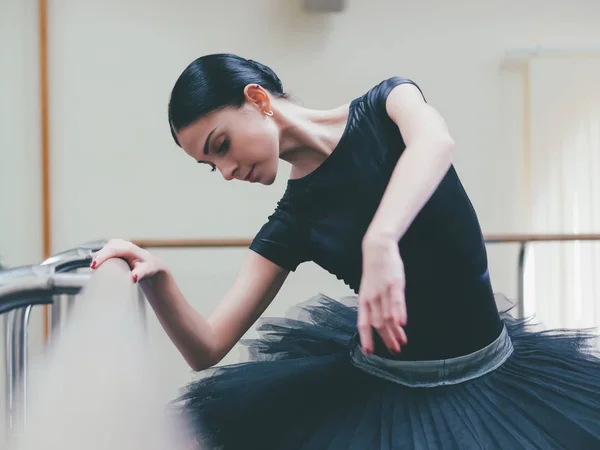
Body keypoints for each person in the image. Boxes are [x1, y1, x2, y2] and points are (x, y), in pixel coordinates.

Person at [91, 53, 600, 449]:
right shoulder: (292, 221)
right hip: (386, 403)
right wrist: (157, 277)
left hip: (500, 377)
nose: (225, 172)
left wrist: (380, 241)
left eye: (221, 146)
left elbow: (435, 143)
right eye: (210, 165)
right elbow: (205, 348)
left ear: (258, 99)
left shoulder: (387, 103)